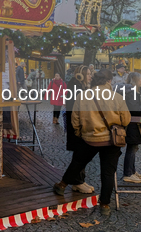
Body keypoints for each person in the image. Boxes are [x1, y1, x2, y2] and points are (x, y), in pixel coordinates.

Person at [54, 68, 131, 216]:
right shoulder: (117, 97)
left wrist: (80, 133)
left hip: (89, 138)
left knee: (77, 163)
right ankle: (105, 205)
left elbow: (74, 119)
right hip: (111, 141)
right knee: (108, 173)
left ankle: (62, 185)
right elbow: (126, 119)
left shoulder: (83, 96)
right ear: (109, 81)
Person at [63, 65, 95, 194]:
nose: (90, 76)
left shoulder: (81, 86)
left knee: (80, 153)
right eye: (87, 74)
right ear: (80, 75)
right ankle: (77, 181)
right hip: (76, 125)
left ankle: (79, 180)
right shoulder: (76, 86)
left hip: (80, 124)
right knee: (79, 153)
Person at [121, 72, 141, 183]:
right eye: (140, 79)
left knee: (134, 148)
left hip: (135, 125)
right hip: (132, 125)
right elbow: (134, 109)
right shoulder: (131, 93)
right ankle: (128, 173)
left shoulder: (134, 92)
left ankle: (132, 170)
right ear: (136, 80)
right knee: (131, 148)